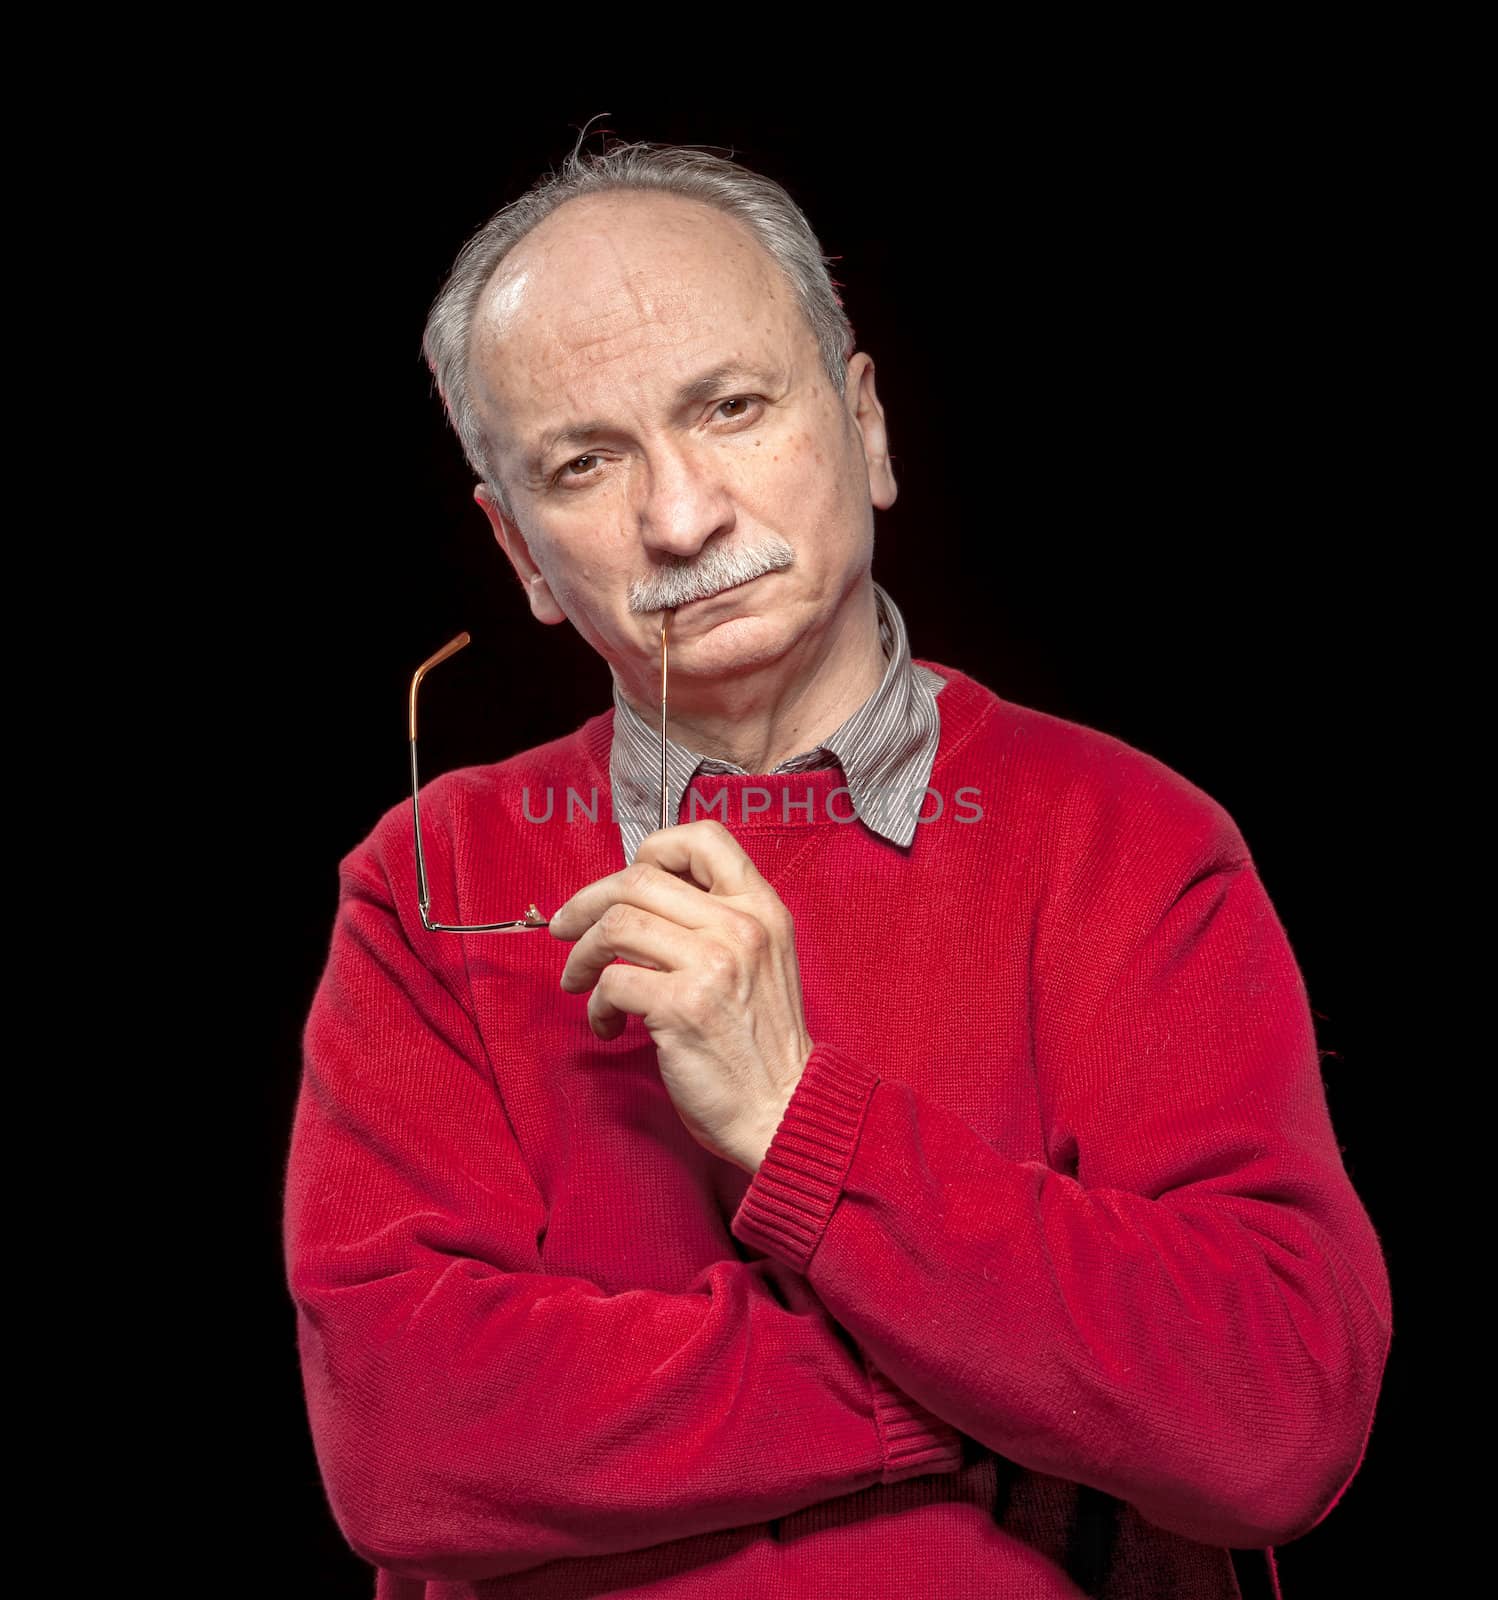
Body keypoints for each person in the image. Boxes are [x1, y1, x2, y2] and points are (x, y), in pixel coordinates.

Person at [283, 135, 1392, 1600]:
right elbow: (407, 1441)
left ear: (864, 428)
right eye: (584, 462)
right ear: (523, 556)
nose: (681, 518)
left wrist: (798, 1116)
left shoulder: (1131, 841)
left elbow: (1268, 1415)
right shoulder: (426, 881)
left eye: (731, 407)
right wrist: (959, 1394)